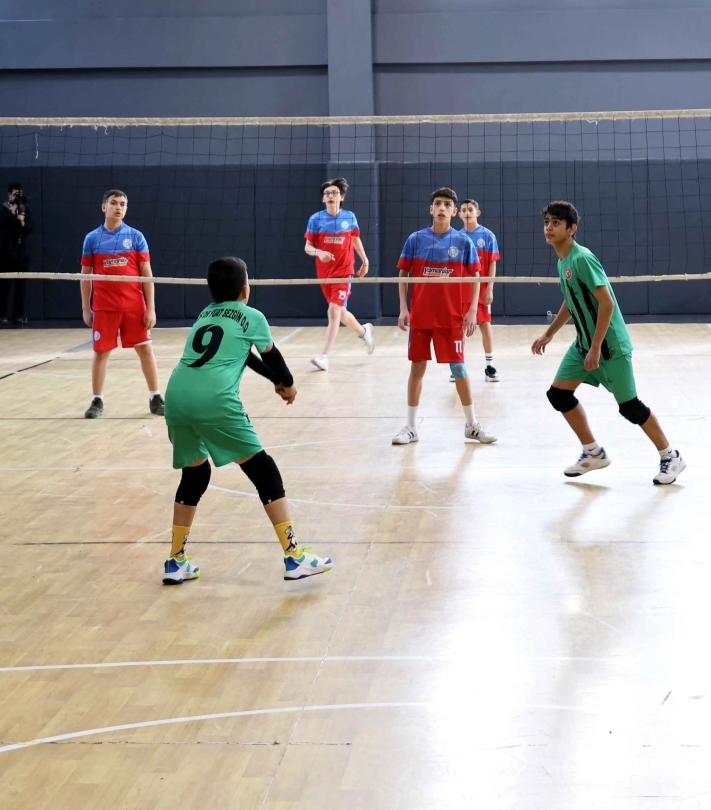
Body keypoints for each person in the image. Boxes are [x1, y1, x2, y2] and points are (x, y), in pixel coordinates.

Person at [161, 257, 332, 584]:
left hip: (177, 398)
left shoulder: (205, 314)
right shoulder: (252, 316)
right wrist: (287, 383)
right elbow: (271, 355)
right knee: (264, 471)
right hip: (214, 400)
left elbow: (246, 356)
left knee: (195, 475)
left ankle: (176, 560)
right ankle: (294, 556)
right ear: (245, 290)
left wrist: (274, 380)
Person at [533, 202, 684, 483]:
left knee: (630, 407)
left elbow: (607, 303)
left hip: (609, 347)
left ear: (571, 228)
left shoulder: (582, 258)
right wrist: (550, 333)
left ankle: (670, 456)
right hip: (584, 344)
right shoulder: (563, 260)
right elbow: (572, 299)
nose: (549, 228)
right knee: (558, 395)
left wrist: (595, 348)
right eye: (546, 223)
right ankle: (593, 452)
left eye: (556, 223)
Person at [392, 188, 496, 446]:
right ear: (431, 209)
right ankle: (411, 427)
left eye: (447, 204)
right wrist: (404, 308)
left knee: (459, 368)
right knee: (417, 368)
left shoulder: (463, 242)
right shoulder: (416, 239)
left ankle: (471, 425)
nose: (441, 208)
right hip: (421, 317)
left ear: (454, 211)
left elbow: (476, 276)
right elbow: (403, 274)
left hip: (451, 318)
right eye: (437, 203)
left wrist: (472, 310)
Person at [80, 190, 161, 419]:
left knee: (145, 349)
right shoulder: (92, 239)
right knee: (101, 352)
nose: (119, 207)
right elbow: (85, 276)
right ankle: (97, 400)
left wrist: (150, 308)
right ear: (103, 207)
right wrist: (86, 308)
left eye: (123, 204)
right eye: (114, 203)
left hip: (134, 307)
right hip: (104, 307)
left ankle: (155, 397)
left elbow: (147, 275)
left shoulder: (136, 237)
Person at [303, 177, 375, 371]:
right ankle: (364, 331)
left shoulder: (349, 217)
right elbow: (308, 247)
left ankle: (324, 356)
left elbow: (355, 240)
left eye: (334, 193)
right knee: (341, 312)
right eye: (327, 193)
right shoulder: (316, 219)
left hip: (344, 271)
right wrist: (319, 252)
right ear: (323, 199)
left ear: (341, 197)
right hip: (324, 273)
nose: (330, 196)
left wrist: (365, 260)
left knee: (333, 310)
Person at [459, 199, 500, 383]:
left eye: (470, 210)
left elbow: (492, 264)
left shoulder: (487, 235)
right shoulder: (456, 237)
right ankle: (457, 366)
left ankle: (490, 366)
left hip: (482, 290)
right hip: (461, 290)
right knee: (459, 327)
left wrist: (490, 287)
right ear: (459, 214)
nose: (467, 213)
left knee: (485, 325)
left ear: (478, 213)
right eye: (464, 210)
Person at [0, 181, 32, 325]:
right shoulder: (1, 209)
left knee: (21, 286)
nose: (17, 197)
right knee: (5, 285)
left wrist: (22, 223)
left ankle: (18, 315)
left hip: (22, 253)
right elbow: (2, 223)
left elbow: (31, 227)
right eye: (15, 194)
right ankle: (2, 314)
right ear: (9, 194)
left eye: (19, 194)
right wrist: (12, 214)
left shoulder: (25, 209)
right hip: (7, 253)